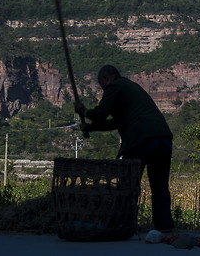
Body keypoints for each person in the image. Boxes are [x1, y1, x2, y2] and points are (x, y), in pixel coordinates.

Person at [74, 64, 174, 232]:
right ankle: (164, 227)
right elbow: (116, 122)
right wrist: (90, 128)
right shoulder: (130, 87)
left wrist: (82, 110)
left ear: (106, 78)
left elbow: (100, 114)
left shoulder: (115, 86)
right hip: (163, 138)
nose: (103, 90)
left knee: (127, 185)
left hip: (141, 140)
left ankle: (122, 223)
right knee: (160, 186)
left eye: (102, 85)